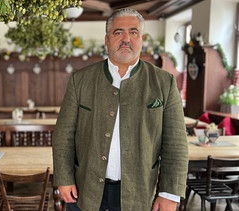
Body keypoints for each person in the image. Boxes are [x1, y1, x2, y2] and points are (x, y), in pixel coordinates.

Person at [52, 8, 188, 211]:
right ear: (107, 39)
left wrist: (169, 193)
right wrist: (64, 178)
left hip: (139, 193)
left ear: (141, 38)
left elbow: (175, 143)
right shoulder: (80, 80)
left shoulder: (164, 82)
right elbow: (63, 135)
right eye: (118, 32)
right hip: (84, 191)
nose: (126, 38)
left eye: (133, 32)